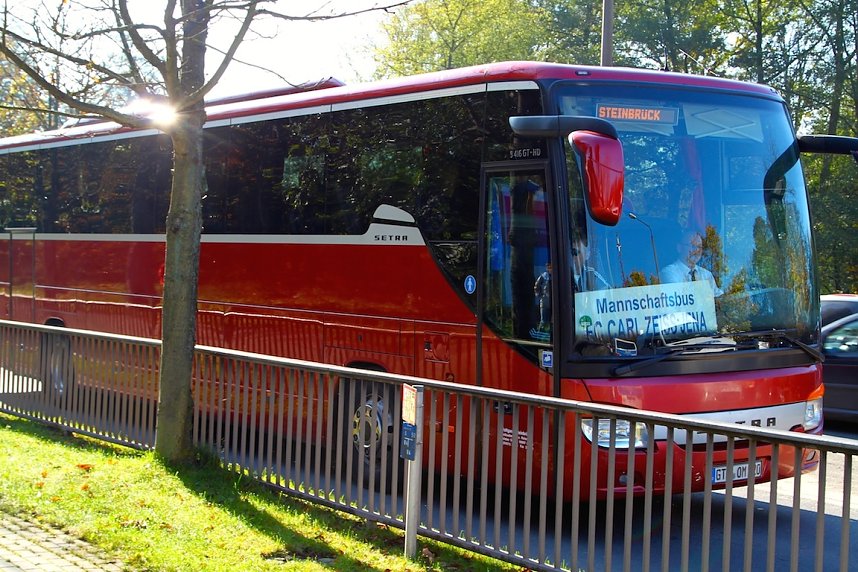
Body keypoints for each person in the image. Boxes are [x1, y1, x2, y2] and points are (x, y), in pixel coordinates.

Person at [660, 230, 723, 296]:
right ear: (679, 248)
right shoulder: (669, 273)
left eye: (699, 247)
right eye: (692, 245)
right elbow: (681, 301)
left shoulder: (706, 275)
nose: (696, 250)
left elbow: (719, 299)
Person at [534, 262, 552, 332]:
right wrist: (540, 295)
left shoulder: (557, 275)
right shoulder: (543, 276)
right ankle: (541, 334)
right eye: (549, 267)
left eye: (551, 267)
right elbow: (536, 287)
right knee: (543, 320)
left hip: (554, 303)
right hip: (544, 302)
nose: (550, 269)